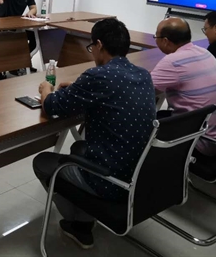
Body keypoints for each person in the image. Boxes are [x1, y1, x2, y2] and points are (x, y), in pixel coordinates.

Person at [32, 19, 156, 250]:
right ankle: (84, 217)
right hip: (141, 173)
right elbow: (111, 93)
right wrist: (79, 88)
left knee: (43, 162)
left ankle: (79, 225)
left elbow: (52, 107)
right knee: (77, 148)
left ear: (99, 45)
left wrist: (46, 90)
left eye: (91, 47)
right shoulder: (143, 75)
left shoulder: (98, 76)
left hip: (112, 180)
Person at [151, 17, 216, 156]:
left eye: (156, 37)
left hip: (197, 141)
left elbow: (142, 93)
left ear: (165, 41)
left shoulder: (173, 61)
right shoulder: (204, 52)